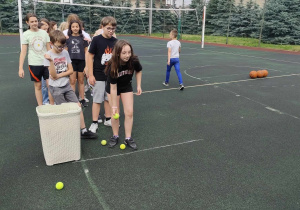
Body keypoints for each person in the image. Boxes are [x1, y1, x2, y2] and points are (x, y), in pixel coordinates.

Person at [43, 30, 97, 139]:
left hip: (66, 86)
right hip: (56, 88)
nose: (61, 48)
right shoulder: (48, 55)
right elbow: (53, 74)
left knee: (78, 106)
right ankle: (67, 133)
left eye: (63, 46)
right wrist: (52, 62)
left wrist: (59, 75)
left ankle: (83, 131)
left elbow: (71, 70)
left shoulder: (65, 53)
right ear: (51, 44)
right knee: (64, 111)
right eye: (59, 46)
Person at [105, 40, 142, 150]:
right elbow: (113, 87)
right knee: (115, 113)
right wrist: (114, 106)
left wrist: (139, 85)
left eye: (129, 52)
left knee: (129, 112)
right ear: (118, 53)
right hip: (113, 89)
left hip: (126, 87)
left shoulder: (133, 60)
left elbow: (139, 71)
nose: (127, 55)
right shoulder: (113, 64)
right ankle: (115, 136)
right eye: (124, 53)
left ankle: (128, 138)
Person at [87, 16, 117, 133]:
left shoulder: (115, 41)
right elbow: (90, 57)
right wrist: (91, 74)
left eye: (113, 29)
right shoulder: (96, 39)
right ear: (102, 27)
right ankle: (94, 122)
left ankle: (108, 119)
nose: (111, 31)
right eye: (108, 28)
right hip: (98, 74)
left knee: (108, 98)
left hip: (110, 75)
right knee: (97, 99)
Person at [18, 13, 53, 106]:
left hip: (46, 63)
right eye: (32, 21)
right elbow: (23, 52)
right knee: (38, 86)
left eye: (36, 21)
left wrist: (53, 61)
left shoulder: (44, 33)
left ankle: (52, 105)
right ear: (27, 23)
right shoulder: (26, 34)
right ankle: (41, 106)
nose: (34, 23)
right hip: (34, 63)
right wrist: (20, 68)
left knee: (50, 85)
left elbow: (49, 48)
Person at [66, 20, 89, 107]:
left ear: (79, 28)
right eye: (73, 27)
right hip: (71, 62)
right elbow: (65, 52)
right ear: (70, 28)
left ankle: (82, 98)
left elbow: (86, 52)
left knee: (81, 80)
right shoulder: (67, 39)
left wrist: (86, 65)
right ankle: (73, 100)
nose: (75, 28)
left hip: (81, 61)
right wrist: (67, 64)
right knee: (72, 81)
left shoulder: (83, 39)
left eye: (77, 26)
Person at [39, 18, 50, 105]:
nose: (45, 30)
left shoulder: (49, 36)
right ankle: (46, 100)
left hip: (49, 62)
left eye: (46, 28)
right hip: (41, 63)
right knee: (43, 84)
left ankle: (52, 99)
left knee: (50, 82)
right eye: (43, 28)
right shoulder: (38, 38)